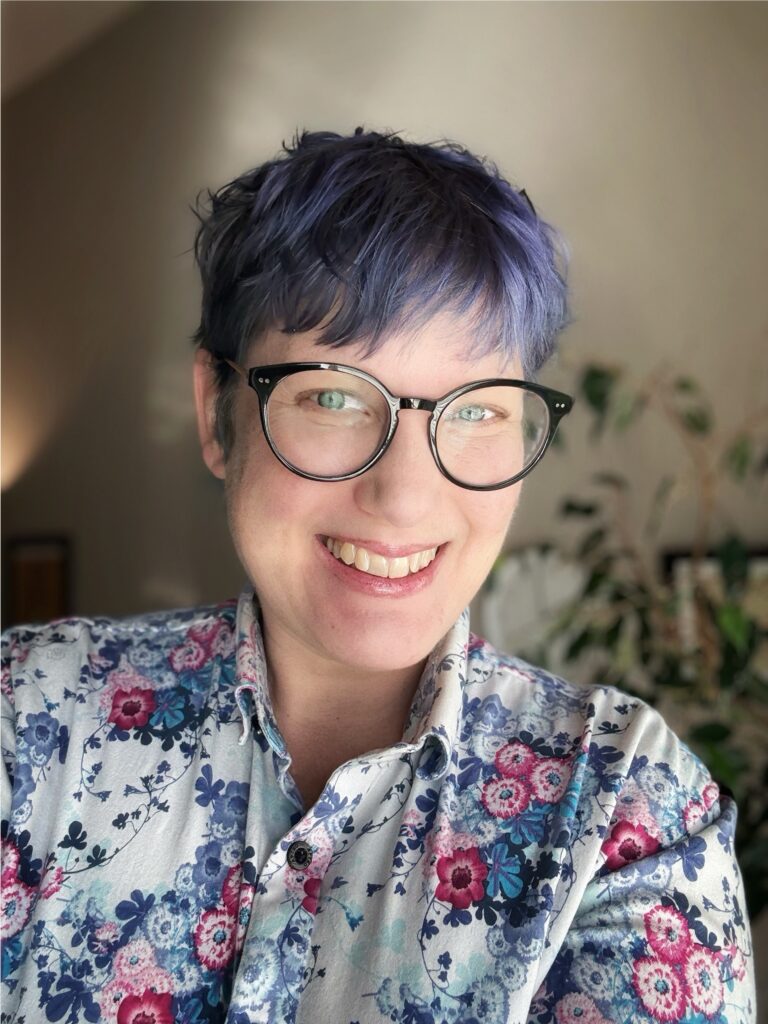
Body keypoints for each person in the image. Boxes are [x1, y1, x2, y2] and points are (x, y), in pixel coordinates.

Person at [0, 129, 755, 1024]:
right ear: (216, 412)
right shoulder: (30, 722)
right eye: (332, 396)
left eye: (477, 410)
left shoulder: (628, 813)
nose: (402, 496)